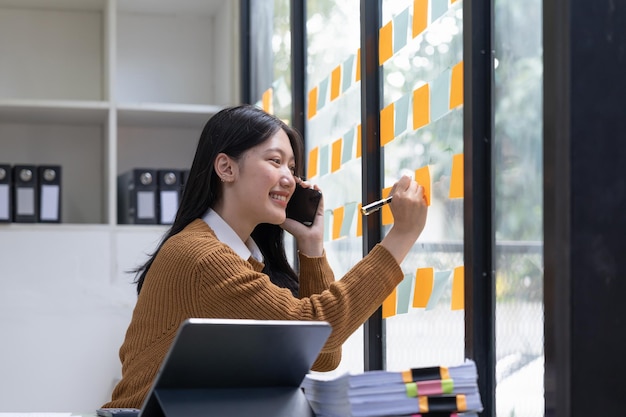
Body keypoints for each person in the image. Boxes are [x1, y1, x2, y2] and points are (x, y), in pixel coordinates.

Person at [102, 104, 428, 408]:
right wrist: (401, 236)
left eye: (292, 166)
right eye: (275, 161)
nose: (290, 178)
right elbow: (316, 327)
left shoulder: (242, 257)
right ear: (226, 168)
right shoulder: (202, 256)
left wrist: (312, 247)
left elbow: (321, 356)